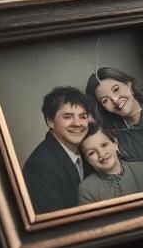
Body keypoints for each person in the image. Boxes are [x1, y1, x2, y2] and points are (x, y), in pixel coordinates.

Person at [22, 86, 93, 214]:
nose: (78, 123)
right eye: (67, 116)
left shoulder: (88, 150)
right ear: (50, 121)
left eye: (83, 116)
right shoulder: (40, 167)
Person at [78, 124, 143, 204]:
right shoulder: (86, 189)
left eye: (104, 145)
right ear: (86, 159)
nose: (102, 154)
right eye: (91, 153)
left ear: (115, 143)